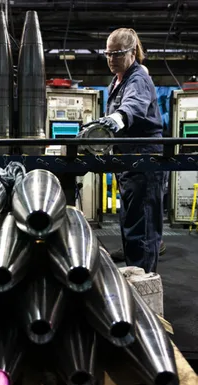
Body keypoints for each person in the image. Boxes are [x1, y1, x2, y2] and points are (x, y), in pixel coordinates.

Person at [80, 28, 164, 273]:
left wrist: (116, 119)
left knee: (143, 227)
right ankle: (134, 274)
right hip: (128, 162)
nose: (111, 59)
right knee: (131, 223)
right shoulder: (117, 81)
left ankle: (144, 281)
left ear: (132, 53)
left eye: (117, 54)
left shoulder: (138, 78)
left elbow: (133, 105)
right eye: (108, 54)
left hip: (144, 161)